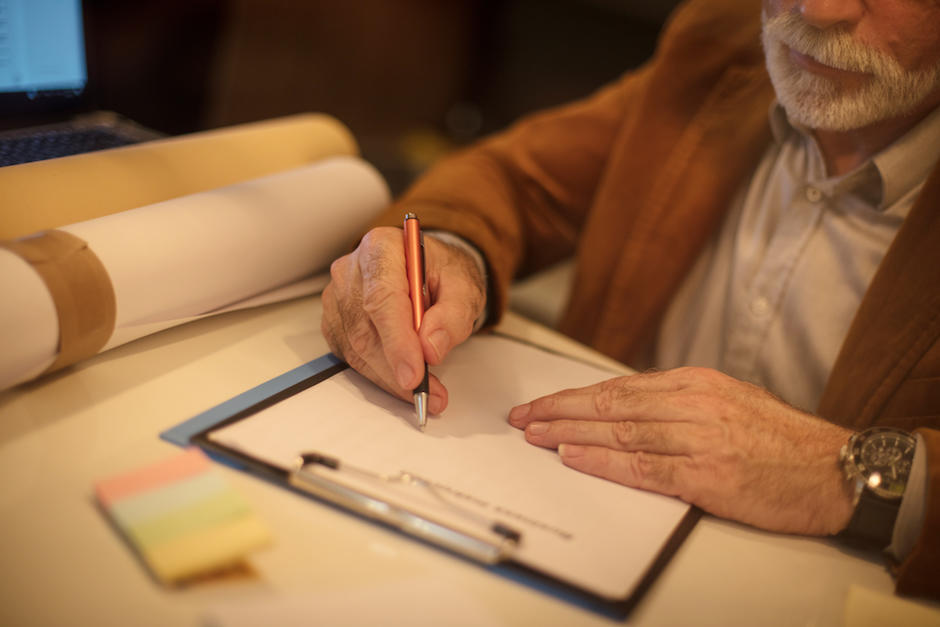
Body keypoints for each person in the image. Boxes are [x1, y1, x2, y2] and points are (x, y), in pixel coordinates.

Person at [321, 0, 940, 598]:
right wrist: (451, 253)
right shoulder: (724, 41)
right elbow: (517, 179)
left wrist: (842, 472)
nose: (817, 9)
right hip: (565, 534)